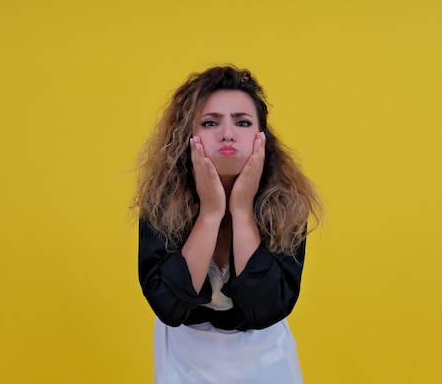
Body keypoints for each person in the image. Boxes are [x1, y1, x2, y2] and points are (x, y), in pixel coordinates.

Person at [133, 65, 323, 384]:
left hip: (263, 350)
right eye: (210, 123)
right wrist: (210, 213)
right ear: (188, 135)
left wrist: (241, 210)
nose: (228, 134)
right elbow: (167, 304)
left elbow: (269, 305)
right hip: (183, 351)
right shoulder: (160, 201)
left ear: (261, 136)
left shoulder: (286, 203)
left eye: (242, 122)